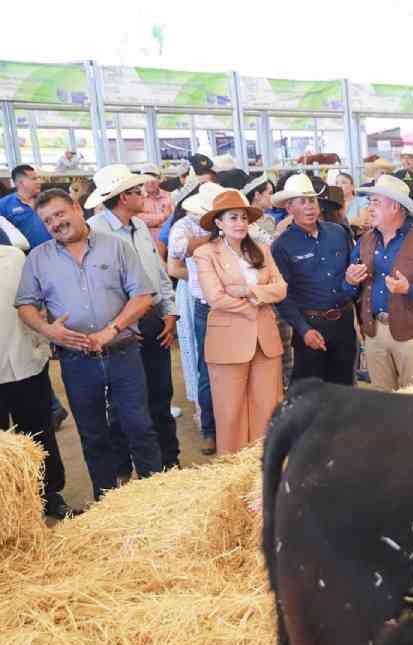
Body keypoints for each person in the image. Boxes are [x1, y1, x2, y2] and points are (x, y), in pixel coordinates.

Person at [15, 189, 162, 500]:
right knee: (93, 435)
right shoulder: (38, 259)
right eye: (47, 220)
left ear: (77, 208)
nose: (56, 223)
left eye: (60, 214)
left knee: (139, 427)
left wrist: (112, 329)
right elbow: (25, 305)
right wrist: (48, 330)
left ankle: (155, 501)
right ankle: (106, 502)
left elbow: (143, 296)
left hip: (123, 352)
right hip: (76, 361)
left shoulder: (116, 247)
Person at [85, 164, 181, 471]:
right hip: (122, 328)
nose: (144, 194)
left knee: (160, 393)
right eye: (138, 191)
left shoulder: (139, 226)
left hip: (152, 320)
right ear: (123, 197)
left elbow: (158, 272)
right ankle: (125, 465)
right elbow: (96, 288)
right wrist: (122, 325)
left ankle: (169, 460)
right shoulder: (94, 232)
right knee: (124, 400)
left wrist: (170, 312)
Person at [193, 190, 287, 454]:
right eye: (233, 217)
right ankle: (233, 467)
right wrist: (258, 303)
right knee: (230, 411)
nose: (240, 223)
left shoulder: (262, 250)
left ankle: (263, 465)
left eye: (244, 217)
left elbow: (281, 289)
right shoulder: (205, 253)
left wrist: (247, 291)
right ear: (219, 223)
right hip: (228, 342)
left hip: (265, 339)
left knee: (267, 407)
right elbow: (215, 297)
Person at [347, 174, 413, 390]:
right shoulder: (364, 241)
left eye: (376, 202)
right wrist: (349, 281)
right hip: (375, 333)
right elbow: (349, 288)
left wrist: (409, 289)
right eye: (370, 202)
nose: (369, 208)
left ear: (395, 207)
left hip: (412, 335)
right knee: (382, 400)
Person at [0, 242, 74, 518]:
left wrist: (44, 336)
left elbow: (40, 298)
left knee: (39, 433)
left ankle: (49, 496)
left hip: (26, 360)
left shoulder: (14, 257)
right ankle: (9, 511)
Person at [271, 174, 360, 386]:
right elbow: (282, 296)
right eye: (302, 202)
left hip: (345, 322)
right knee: (311, 392)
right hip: (311, 325)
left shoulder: (338, 233)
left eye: (312, 200)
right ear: (289, 208)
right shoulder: (282, 245)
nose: (309, 207)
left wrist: (351, 286)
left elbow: (353, 274)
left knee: (345, 388)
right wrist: (304, 329)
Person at [168, 182, 223, 454]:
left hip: (236, 304)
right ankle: (210, 429)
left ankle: (231, 425)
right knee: (207, 367)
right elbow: (177, 250)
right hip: (205, 304)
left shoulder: (234, 222)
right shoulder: (186, 225)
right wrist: (214, 236)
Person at [0, 165, 52, 249]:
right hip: (27, 254)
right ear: (20, 183)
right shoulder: (4, 204)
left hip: (56, 250)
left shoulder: (47, 199)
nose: (39, 182)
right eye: (34, 179)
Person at [135, 164, 174, 256]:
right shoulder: (136, 197)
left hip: (170, 244)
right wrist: (164, 216)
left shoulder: (169, 195)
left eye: (153, 177)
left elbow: (174, 218)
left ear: (159, 179)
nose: (150, 181)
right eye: (146, 178)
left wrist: (152, 221)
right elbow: (138, 219)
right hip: (146, 245)